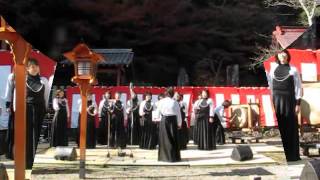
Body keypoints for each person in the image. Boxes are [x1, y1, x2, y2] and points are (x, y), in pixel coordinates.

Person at [5, 59, 50, 168]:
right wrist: (16, 110)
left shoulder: (44, 80)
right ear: (27, 68)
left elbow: (47, 96)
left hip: (39, 111)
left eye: (36, 66)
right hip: (27, 111)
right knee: (27, 136)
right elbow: (16, 96)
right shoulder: (22, 80)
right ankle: (27, 162)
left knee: (37, 136)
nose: (34, 68)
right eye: (32, 66)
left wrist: (45, 110)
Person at [266, 49, 302, 162]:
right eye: (281, 53)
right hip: (277, 99)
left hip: (289, 100)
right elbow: (270, 86)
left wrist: (298, 104)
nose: (283, 55)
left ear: (287, 55)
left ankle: (292, 155)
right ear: (277, 55)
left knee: (290, 126)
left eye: (285, 53)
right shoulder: (272, 69)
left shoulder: (293, 69)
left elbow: (298, 87)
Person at [157, 87, 182, 162]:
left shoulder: (161, 101)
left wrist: (157, 119)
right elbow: (178, 114)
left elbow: (158, 111)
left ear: (166, 93)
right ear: (172, 94)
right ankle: (173, 157)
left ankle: (163, 157)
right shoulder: (175, 102)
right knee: (173, 138)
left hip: (164, 119)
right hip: (173, 120)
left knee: (164, 138)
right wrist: (179, 123)